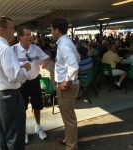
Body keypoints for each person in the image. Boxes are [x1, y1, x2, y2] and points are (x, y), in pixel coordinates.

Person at [0, 16, 31, 150]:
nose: (14, 31)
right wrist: (25, 70)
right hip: (8, 96)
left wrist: (18, 67)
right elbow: (16, 77)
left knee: (4, 133)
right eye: (11, 28)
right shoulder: (4, 49)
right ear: (1, 29)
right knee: (15, 136)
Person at [11, 26, 49, 143]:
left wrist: (45, 61)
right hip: (21, 84)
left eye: (30, 34)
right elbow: (9, 67)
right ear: (20, 37)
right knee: (22, 108)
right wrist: (22, 66)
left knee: (37, 106)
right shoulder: (12, 50)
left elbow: (45, 57)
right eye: (27, 35)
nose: (30, 37)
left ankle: (38, 127)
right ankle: (24, 131)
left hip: (35, 81)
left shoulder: (35, 48)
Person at [51, 18, 80, 150]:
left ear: (56, 29)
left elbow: (73, 66)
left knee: (69, 119)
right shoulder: (67, 42)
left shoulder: (63, 45)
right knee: (68, 116)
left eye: (51, 29)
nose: (51, 32)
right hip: (69, 85)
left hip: (66, 87)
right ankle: (69, 139)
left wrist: (66, 81)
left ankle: (71, 146)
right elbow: (78, 57)